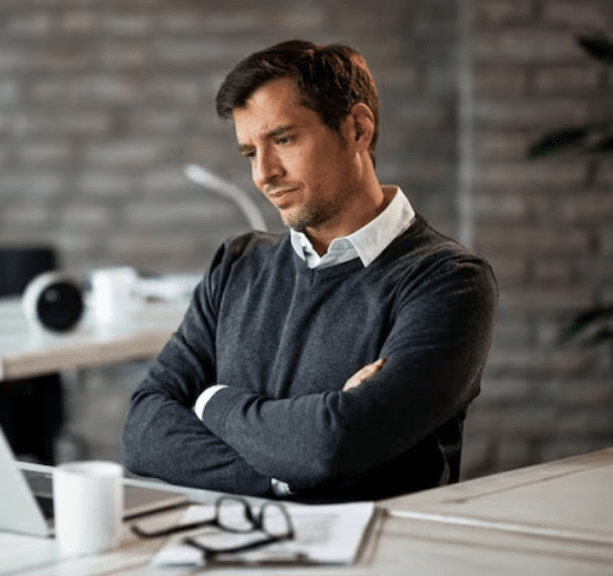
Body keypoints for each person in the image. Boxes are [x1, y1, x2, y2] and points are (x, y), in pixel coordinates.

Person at [120, 40, 497, 501]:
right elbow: (142, 431)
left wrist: (209, 400)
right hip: (237, 539)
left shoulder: (449, 281)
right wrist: (283, 470)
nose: (264, 174)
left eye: (283, 140)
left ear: (357, 129)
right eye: (250, 153)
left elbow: (331, 443)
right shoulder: (238, 263)